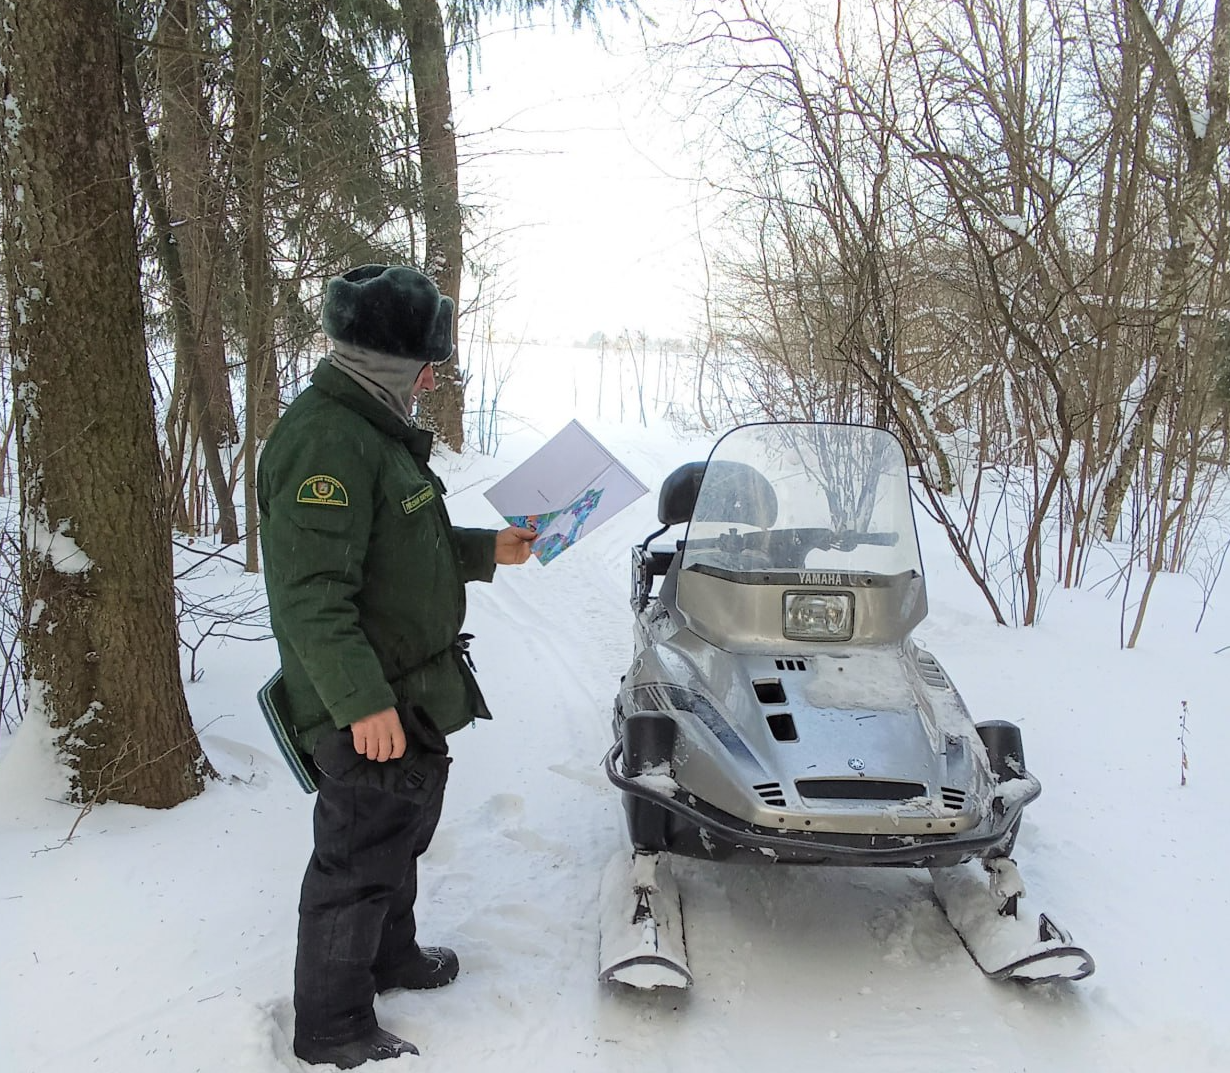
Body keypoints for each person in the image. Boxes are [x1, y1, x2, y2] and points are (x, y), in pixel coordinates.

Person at [257, 264, 537, 1068]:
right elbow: (311, 596)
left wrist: (489, 549)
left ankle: (391, 956)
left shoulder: (374, 428)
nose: (430, 379)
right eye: (425, 365)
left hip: (406, 693)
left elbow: (401, 548)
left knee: (399, 833)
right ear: (390, 362)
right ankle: (334, 1027)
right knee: (357, 858)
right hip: (368, 703)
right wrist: (361, 703)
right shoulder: (326, 441)